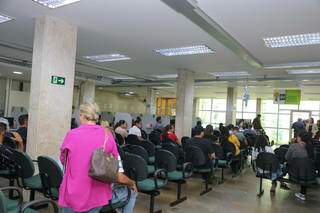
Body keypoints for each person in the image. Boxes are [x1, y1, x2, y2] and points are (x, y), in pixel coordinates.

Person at [58, 103, 137, 213]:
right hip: (95, 197)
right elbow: (115, 172)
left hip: (71, 194)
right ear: (97, 117)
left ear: (81, 116)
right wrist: (131, 183)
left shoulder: (71, 135)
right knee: (130, 193)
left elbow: (63, 160)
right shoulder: (107, 136)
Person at [101, 121, 138, 213]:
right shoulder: (114, 155)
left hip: (84, 195)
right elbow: (119, 178)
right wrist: (131, 183)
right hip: (103, 198)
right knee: (132, 192)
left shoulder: (88, 151)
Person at [285, 131, 314, 201]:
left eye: (298, 136)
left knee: (288, 165)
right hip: (308, 175)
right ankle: (302, 193)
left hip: (294, 174)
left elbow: (287, 157)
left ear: (300, 138)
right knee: (303, 168)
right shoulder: (311, 148)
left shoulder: (293, 146)